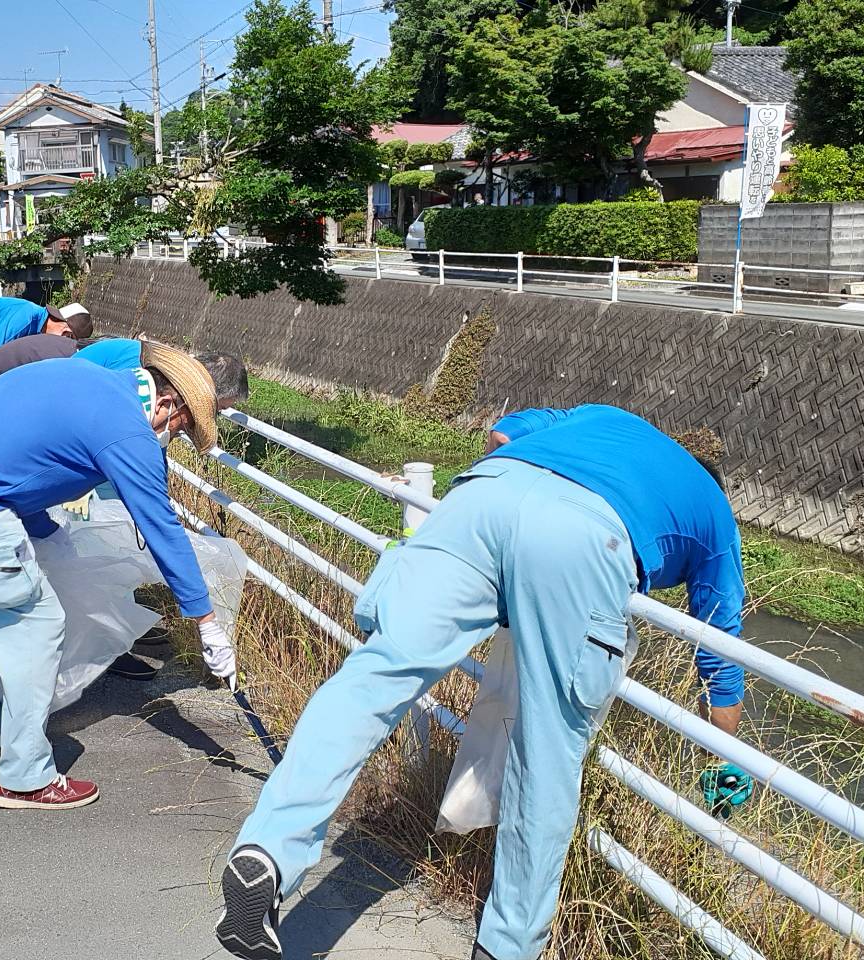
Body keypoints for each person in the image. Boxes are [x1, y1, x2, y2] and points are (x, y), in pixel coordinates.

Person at [215, 404, 748, 960]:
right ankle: (506, 945)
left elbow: (501, 433)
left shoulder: (603, 416)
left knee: (373, 678)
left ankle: (267, 851)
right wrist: (721, 758)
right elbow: (720, 651)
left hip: (481, 497)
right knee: (546, 753)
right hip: (583, 537)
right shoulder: (714, 510)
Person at [0, 344, 245, 810]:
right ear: (169, 402)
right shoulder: (128, 431)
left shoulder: (89, 377)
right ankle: (24, 778)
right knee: (38, 628)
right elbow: (162, 530)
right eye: (184, 426)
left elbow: (16, 455)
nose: (176, 435)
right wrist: (207, 622)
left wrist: (46, 531)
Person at [0, 334, 251, 411]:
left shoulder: (157, 360)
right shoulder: (141, 369)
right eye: (218, 408)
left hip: (11, 399)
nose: (215, 414)